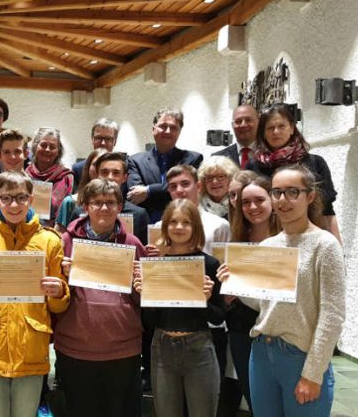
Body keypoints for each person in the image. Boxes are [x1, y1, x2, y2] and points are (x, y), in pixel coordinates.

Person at [217, 164, 345, 417]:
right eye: (276, 192)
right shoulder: (270, 245)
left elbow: (333, 315)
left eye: (292, 192)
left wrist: (313, 373)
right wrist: (236, 284)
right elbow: (267, 303)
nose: (283, 200)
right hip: (262, 353)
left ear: (310, 197)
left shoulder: (325, 245)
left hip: (300, 355)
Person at [0, 171, 69, 417]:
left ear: (31, 200)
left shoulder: (50, 241)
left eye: (21, 198)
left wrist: (59, 292)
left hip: (31, 346)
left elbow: (58, 307)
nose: (14, 205)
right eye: (6, 198)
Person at [55, 178, 146, 417]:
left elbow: (144, 300)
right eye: (96, 202)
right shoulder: (65, 242)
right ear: (85, 206)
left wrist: (141, 286)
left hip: (122, 350)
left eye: (110, 202)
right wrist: (62, 277)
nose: (104, 208)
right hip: (75, 349)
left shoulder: (133, 244)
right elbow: (53, 297)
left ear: (119, 207)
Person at [134, 198, 224, 417]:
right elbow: (150, 322)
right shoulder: (156, 266)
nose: (179, 227)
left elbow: (218, 317)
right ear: (165, 226)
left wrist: (205, 299)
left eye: (186, 222)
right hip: (162, 348)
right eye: (173, 222)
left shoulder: (210, 264)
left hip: (199, 348)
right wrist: (145, 296)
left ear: (195, 227)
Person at [224, 175, 280, 415]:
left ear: (273, 201)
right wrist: (226, 291)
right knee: (254, 396)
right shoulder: (237, 239)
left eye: (259, 200)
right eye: (246, 202)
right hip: (241, 328)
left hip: (279, 329)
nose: (252, 207)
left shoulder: (288, 239)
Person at [246, 103, 340, 241]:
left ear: (291, 128)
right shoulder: (253, 166)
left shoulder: (315, 163)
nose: (276, 132)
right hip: (265, 239)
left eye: (281, 126)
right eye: (270, 128)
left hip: (309, 238)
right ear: (264, 133)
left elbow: (327, 210)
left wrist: (337, 244)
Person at [127, 108, 203, 223]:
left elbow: (189, 192)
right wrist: (167, 193)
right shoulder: (135, 161)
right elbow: (135, 196)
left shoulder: (192, 159)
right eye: (163, 126)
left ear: (179, 132)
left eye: (173, 128)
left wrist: (148, 191)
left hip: (183, 222)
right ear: (153, 129)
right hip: (146, 225)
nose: (167, 131)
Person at [26, 127, 74, 225]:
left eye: (52, 147)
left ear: (58, 151)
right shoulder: (25, 174)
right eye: (43, 145)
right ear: (35, 147)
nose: (47, 150)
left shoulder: (66, 177)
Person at [54, 148, 106, 233]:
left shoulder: (117, 205)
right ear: (88, 167)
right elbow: (59, 236)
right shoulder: (70, 202)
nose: (99, 169)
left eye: (104, 165)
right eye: (96, 164)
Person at [71, 118, 120, 190]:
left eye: (108, 139)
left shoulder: (124, 168)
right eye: (99, 138)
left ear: (115, 141)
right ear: (92, 139)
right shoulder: (78, 169)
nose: (103, 143)